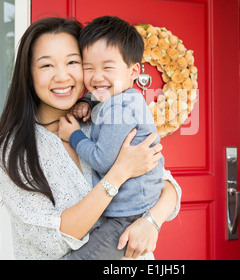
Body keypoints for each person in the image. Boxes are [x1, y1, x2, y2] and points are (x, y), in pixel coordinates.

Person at [0, 17, 181, 260]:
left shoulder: (100, 118)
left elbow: (166, 184)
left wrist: (152, 222)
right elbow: (50, 240)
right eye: (47, 66)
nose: (62, 77)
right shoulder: (13, 149)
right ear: (29, 74)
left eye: (72, 62)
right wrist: (119, 173)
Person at [58, 16, 165, 260]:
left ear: (134, 71)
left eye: (107, 67)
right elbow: (101, 91)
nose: (96, 77)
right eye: (88, 68)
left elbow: (103, 160)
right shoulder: (120, 97)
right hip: (137, 203)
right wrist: (87, 100)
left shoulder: (120, 110)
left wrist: (73, 135)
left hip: (128, 214)